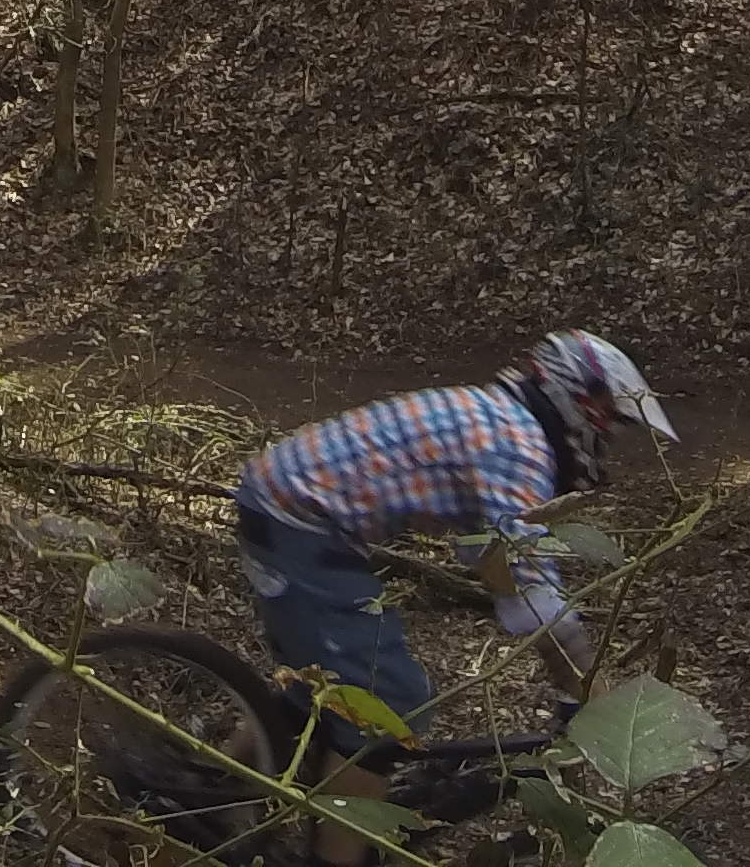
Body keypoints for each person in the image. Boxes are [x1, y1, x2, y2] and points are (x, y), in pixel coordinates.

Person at [234, 332, 677, 854]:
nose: (606, 441)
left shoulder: (499, 418)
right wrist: (586, 687)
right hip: (299, 519)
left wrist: (572, 677)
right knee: (388, 706)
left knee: (319, 687)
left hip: (285, 502)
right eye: (607, 424)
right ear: (579, 403)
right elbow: (532, 593)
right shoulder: (519, 450)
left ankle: (210, 784)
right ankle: (334, 858)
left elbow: (495, 560)